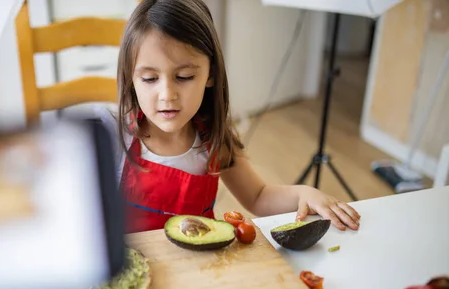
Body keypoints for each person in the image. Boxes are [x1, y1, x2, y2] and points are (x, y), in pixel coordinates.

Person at [95, 0, 361, 234]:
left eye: (184, 77)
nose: (167, 94)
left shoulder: (214, 137)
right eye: (150, 78)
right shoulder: (114, 135)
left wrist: (304, 192)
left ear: (210, 74)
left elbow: (258, 197)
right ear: (131, 78)